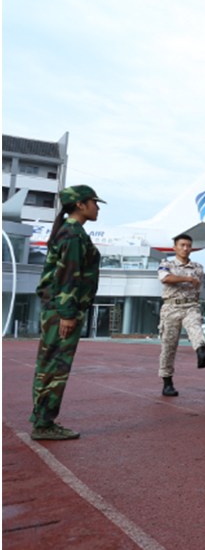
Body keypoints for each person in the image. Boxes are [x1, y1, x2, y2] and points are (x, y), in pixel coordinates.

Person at [30, 186, 103, 441]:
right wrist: (68, 314)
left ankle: (43, 420)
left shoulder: (72, 232)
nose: (98, 207)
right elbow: (67, 276)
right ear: (80, 205)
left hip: (58, 308)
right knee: (55, 366)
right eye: (94, 202)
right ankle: (44, 424)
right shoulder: (72, 234)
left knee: (49, 363)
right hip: (61, 309)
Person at [156, 233, 205, 397]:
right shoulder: (166, 264)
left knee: (196, 328)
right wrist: (187, 279)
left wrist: (186, 280)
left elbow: (198, 286)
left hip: (190, 305)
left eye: (188, 245)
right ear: (175, 247)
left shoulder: (197, 267)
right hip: (171, 307)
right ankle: (167, 382)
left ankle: (202, 353)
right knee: (168, 347)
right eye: (182, 245)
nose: (186, 248)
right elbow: (165, 278)